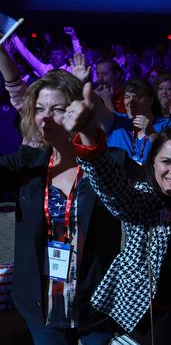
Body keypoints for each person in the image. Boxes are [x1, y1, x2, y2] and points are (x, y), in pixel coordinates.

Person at [63, 100, 171, 342]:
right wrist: (90, 138)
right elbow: (114, 189)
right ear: (152, 162)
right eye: (166, 161)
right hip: (155, 327)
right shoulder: (144, 201)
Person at [0, 68, 124, 344]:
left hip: (97, 304)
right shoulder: (27, 164)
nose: (45, 116)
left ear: (79, 112)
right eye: (40, 109)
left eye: (57, 109)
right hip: (43, 303)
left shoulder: (110, 163)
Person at [106, 79, 171, 164]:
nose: (131, 102)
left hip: (149, 176)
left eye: (137, 97)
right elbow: (93, 105)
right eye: (127, 97)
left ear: (150, 99)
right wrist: (84, 84)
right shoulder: (117, 121)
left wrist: (151, 133)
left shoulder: (165, 125)